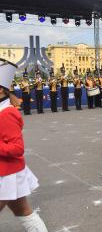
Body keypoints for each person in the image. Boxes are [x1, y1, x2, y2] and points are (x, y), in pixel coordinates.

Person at [0, 59, 48, 232]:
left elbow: (17, 148)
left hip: (7, 174)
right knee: (24, 212)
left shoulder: (7, 113)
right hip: (6, 173)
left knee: (25, 212)